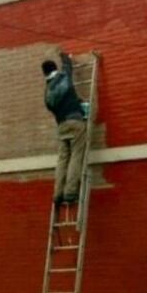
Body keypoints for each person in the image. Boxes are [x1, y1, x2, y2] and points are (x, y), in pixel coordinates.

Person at [42, 53, 87, 207]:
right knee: (76, 155)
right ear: (55, 69)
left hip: (61, 126)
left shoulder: (47, 91)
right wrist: (66, 57)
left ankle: (57, 193)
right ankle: (70, 192)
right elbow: (68, 68)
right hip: (75, 121)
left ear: (45, 73)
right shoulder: (63, 77)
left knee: (62, 160)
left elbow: (51, 106)